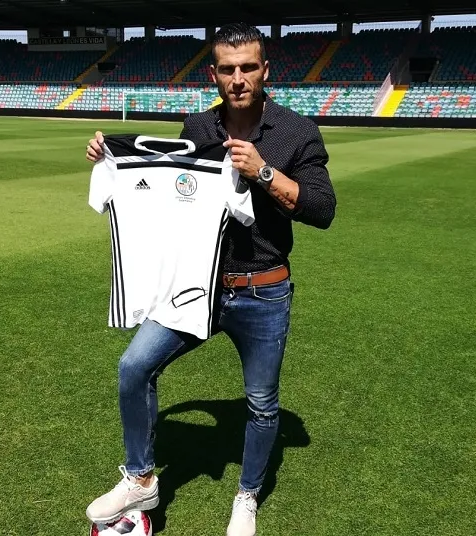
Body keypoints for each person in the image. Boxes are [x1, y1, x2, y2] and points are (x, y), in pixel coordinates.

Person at [84, 22, 336, 536]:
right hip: (198, 285)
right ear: (214, 74)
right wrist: (113, 157)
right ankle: (140, 478)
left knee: (262, 403)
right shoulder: (197, 128)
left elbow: (322, 209)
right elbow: (173, 194)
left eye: (248, 67)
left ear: (265, 70)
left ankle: (246, 497)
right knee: (134, 366)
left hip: (265, 290)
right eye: (228, 69)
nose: (238, 78)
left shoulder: (296, 131)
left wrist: (263, 172)